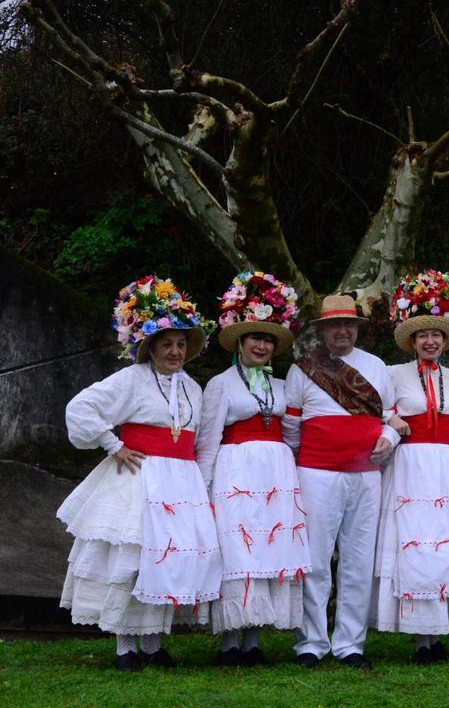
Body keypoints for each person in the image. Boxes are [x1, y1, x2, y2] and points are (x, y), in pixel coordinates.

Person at [60, 275, 220, 671]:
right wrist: (113, 446)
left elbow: (197, 441)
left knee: (165, 559)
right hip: (140, 476)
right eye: (166, 344)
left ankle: (153, 644)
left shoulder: (193, 390)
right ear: (149, 347)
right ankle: (125, 646)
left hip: (180, 482)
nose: (175, 351)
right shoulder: (132, 379)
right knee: (132, 558)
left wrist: (200, 485)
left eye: (181, 344)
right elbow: (81, 408)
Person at [372, 270, 449, 663]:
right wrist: (391, 424)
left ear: (445, 341)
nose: (430, 341)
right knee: (415, 545)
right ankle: (419, 636)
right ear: (412, 341)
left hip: (448, 468)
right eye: (423, 336)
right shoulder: (393, 375)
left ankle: (440, 632)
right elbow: (378, 413)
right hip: (410, 467)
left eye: (437, 336)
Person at [197, 271, 310, 666]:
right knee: (239, 551)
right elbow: (208, 440)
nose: (261, 345)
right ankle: (230, 641)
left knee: (268, 548)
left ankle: (254, 638)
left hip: (276, 475)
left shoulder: (283, 387)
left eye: (268, 339)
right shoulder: (221, 384)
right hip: (236, 474)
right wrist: (203, 488)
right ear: (240, 343)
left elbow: (293, 435)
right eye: (254, 338)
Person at [283, 294, 400, 670]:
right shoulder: (302, 370)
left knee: (358, 559)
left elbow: (393, 420)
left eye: (349, 325)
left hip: (366, 475)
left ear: (357, 329)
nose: (343, 331)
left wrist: (389, 440)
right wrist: (314, 458)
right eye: (336, 325)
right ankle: (311, 643)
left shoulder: (378, 367)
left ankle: (350, 643)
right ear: (323, 330)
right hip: (317, 473)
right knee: (316, 559)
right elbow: (291, 428)